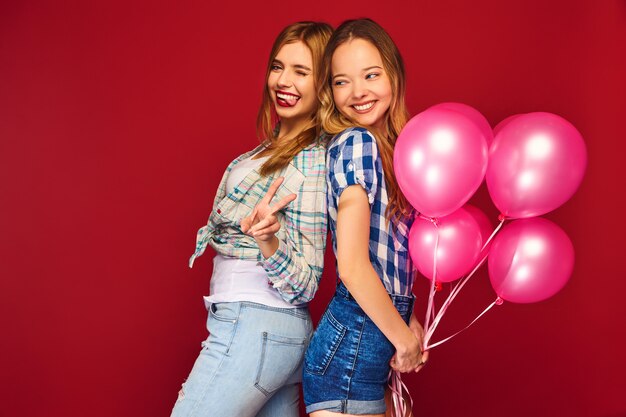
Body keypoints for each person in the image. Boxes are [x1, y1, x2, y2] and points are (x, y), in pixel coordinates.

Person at [170, 21, 333, 417]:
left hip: (256, 324)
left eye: (301, 71)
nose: (283, 80)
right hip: (259, 328)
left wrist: (269, 242)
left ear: (325, 84)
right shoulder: (269, 150)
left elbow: (307, 282)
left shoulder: (312, 158)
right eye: (278, 67)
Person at [302, 18, 429, 417]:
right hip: (349, 352)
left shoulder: (395, 150)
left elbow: (397, 256)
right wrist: (403, 340)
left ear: (393, 73)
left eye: (371, 75)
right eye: (341, 82)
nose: (358, 92)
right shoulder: (357, 143)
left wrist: (410, 320)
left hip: (373, 338)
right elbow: (354, 266)